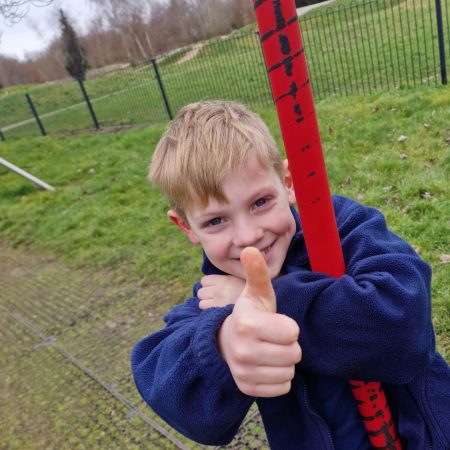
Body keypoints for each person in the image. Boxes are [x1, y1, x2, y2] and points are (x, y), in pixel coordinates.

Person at [131, 100, 450, 449]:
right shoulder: (216, 297)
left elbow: (403, 322)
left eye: (260, 202)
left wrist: (264, 303)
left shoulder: (341, 227)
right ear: (186, 227)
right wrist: (224, 342)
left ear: (287, 182)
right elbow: (163, 382)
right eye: (216, 221)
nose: (249, 235)